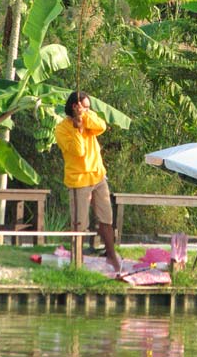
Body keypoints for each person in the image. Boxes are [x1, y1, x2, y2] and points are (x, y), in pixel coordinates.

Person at [55, 90, 120, 272]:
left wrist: (84, 118)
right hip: (79, 181)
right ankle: (77, 261)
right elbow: (79, 152)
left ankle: (111, 255)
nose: (89, 111)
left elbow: (102, 126)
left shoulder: (89, 118)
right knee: (79, 223)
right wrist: (78, 129)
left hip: (98, 176)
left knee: (106, 218)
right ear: (75, 107)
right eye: (85, 107)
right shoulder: (61, 129)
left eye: (89, 108)